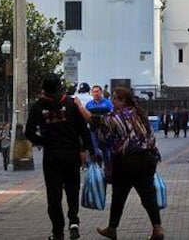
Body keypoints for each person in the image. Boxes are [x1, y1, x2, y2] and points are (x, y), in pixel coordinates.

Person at [79, 87, 164, 240]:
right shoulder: (138, 113)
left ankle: (112, 228)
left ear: (123, 101)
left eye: (115, 99)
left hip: (127, 161)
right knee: (148, 195)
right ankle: (157, 228)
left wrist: (79, 106)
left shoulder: (117, 117)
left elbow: (93, 120)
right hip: (147, 159)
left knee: (119, 196)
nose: (112, 101)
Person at [25, 75, 94, 240]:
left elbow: (28, 132)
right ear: (60, 87)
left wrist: (42, 141)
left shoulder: (37, 106)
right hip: (71, 154)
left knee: (54, 194)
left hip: (52, 156)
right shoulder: (71, 104)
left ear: (44, 88)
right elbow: (83, 129)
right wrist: (88, 148)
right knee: (72, 189)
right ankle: (74, 221)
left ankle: (57, 231)